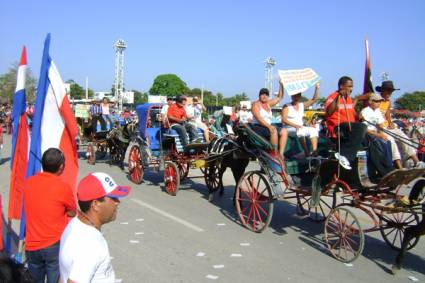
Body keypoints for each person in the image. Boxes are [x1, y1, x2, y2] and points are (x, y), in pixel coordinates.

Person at [59, 172, 130, 283]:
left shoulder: (74, 223)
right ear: (96, 204)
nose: (117, 202)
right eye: (113, 198)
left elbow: (63, 275)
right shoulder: (91, 245)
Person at [23, 148, 76, 283]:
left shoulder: (28, 183)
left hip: (31, 245)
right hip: (53, 245)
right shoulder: (63, 187)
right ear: (61, 167)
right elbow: (72, 212)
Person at [376, 81, 424, 168]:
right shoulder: (376, 100)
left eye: (391, 91)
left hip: (388, 126)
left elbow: (387, 113)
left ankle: (417, 162)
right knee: (391, 141)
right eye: (388, 90)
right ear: (382, 90)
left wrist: (390, 122)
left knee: (404, 137)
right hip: (379, 127)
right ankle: (399, 167)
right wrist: (356, 100)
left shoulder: (388, 102)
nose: (390, 93)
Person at [359, 92, 402, 169]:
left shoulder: (377, 111)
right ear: (370, 101)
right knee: (383, 143)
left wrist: (382, 134)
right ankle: (387, 167)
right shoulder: (365, 112)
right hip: (368, 134)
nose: (378, 103)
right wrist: (379, 135)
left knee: (388, 141)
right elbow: (365, 129)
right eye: (376, 101)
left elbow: (380, 125)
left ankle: (390, 165)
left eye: (379, 101)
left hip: (376, 133)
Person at [282, 83, 320, 157]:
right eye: (293, 95)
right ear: (291, 96)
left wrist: (317, 88)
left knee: (313, 130)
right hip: (289, 128)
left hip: (299, 127)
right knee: (300, 131)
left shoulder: (302, 105)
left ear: (299, 96)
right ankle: (306, 152)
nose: (295, 97)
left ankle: (314, 151)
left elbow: (314, 99)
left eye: (297, 95)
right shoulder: (286, 106)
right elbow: (284, 120)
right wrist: (295, 125)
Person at [250, 81, 287, 156]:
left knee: (284, 131)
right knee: (273, 130)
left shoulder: (268, 104)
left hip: (267, 126)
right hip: (258, 127)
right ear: (259, 95)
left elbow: (280, 97)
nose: (264, 96)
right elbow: (259, 118)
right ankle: (274, 153)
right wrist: (269, 126)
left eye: (266, 94)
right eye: (262, 94)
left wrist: (281, 85)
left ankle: (281, 153)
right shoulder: (255, 104)